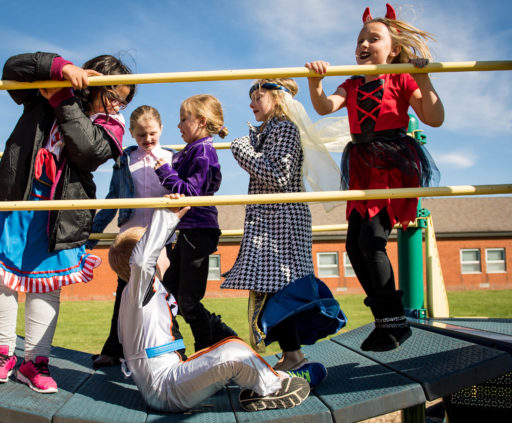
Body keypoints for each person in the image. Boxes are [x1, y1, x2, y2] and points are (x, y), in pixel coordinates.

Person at [0, 52, 136, 392]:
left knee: (45, 286)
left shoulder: (111, 126)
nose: (117, 106)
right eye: (113, 96)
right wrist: (61, 70)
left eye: (124, 102)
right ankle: (1, 354)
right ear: (93, 83)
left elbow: (87, 151)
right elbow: (12, 68)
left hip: (59, 214)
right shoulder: (44, 92)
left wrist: (62, 99)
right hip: (16, 196)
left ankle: (35, 361)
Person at [305, 3, 444, 352]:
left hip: (391, 162)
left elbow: (434, 117)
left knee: (371, 240)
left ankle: (394, 320)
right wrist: (315, 83)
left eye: (374, 38)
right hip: (362, 164)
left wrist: (424, 79)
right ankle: (386, 319)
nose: (364, 44)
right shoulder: (351, 85)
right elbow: (324, 107)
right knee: (355, 246)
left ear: (393, 50)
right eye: (360, 39)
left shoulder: (401, 78)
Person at [112, 194, 310, 412]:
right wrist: (165, 214)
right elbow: (141, 260)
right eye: (159, 246)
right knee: (233, 352)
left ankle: (259, 388)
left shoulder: (140, 295)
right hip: (166, 389)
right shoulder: (137, 288)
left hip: (167, 383)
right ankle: (276, 386)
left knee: (219, 348)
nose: (166, 247)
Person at [221, 78, 343, 374]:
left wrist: (240, 148)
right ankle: (292, 355)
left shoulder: (285, 128)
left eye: (257, 97)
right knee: (275, 288)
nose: (251, 104)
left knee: (281, 289)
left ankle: (296, 358)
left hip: (282, 222)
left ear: (276, 99)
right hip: (273, 220)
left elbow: (278, 175)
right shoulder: (271, 131)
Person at [88, 105, 176, 368]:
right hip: (130, 241)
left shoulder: (173, 158)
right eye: (140, 136)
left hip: (163, 238)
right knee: (124, 297)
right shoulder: (124, 161)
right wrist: (92, 234)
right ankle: (113, 350)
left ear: (160, 129)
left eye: (152, 134)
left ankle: (169, 351)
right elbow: (114, 198)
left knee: (165, 297)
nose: (147, 140)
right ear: (132, 135)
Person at [154, 94, 236, 352]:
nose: (178, 126)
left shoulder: (203, 150)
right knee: (167, 297)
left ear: (201, 121)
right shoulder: (191, 150)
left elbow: (191, 191)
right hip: (185, 230)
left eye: (183, 119)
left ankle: (207, 346)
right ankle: (175, 351)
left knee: (186, 301)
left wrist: (165, 171)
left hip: (197, 230)